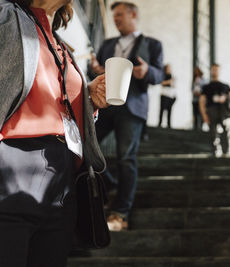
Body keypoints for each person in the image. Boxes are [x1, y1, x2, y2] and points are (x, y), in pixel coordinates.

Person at [0, 0, 108, 266]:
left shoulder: (59, 43)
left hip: (62, 173)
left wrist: (88, 99)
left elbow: (55, 105)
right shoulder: (6, 14)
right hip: (13, 160)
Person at [89, 0, 164, 231]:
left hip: (132, 107)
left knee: (125, 158)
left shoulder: (152, 44)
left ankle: (120, 213)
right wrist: (96, 70)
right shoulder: (108, 43)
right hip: (104, 106)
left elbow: (159, 74)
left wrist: (146, 71)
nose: (116, 19)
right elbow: (100, 69)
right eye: (114, 16)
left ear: (133, 15)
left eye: (120, 15)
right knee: (85, 148)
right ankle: (111, 186)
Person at [199, 63, 230, 157]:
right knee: (213, 132)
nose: (215, 71)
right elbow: (202, 102)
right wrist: (204, 115)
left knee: (227, 131)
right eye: (213, 69)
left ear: (219, 71)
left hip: (224, 112)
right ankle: (216, 152)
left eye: (217, 69)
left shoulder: (225, 86)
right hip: (212, 111)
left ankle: (228, 152)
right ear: (211, 71)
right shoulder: (206, 87)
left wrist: (225, 98)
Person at [158, 64, 176, 128]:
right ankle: (159, 123)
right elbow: (161, 83)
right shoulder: (163, 75)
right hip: (164, 94)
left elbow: (174, 85)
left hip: (170, 95)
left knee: (169, 110)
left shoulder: (172, 76)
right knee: (162, 110)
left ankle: (169, 124)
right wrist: (168, 82)